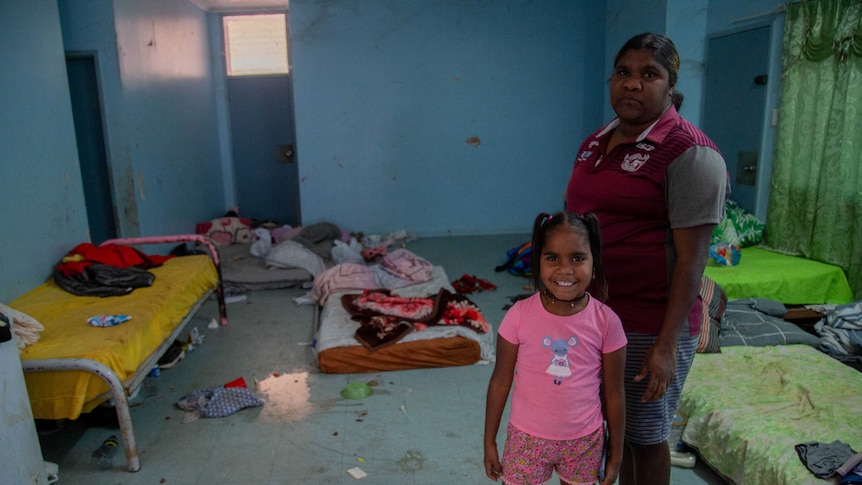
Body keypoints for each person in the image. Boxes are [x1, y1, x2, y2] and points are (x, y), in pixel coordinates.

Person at [564, 33, 727, 485]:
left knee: (643, 435)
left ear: (671, 86)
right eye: (623, 72)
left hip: (646, 321)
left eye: (648, 74)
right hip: (593, 316)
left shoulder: (691, 154)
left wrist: (666, 345)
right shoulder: (595, 143)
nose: (632, 84)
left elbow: (693, 262)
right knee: (605, 429)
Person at [484, 212, 627, 485]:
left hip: (585, 441)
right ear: (537, 263)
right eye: (552, 258)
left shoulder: (607, 322)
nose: (565, 269)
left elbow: (614, 393)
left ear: (594, 262)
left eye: (578, 258)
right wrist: (489, 441)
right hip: (526, 440)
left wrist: (616, 455)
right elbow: (500, 381)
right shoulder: (518, 316)